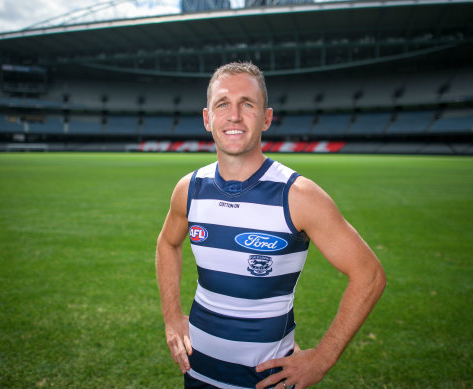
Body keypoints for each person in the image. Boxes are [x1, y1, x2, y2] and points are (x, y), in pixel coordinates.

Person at [156, 62, 386, 389]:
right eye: (222, 104)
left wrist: (322, 358)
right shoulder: (189, 189)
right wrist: (171, 317)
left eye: (247, 104)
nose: (234, 115)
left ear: (266, 117)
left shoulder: (298, 195)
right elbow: (167, 243)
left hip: (267, 382)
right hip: (196, 373)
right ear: (207, 118)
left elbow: (370, 274)